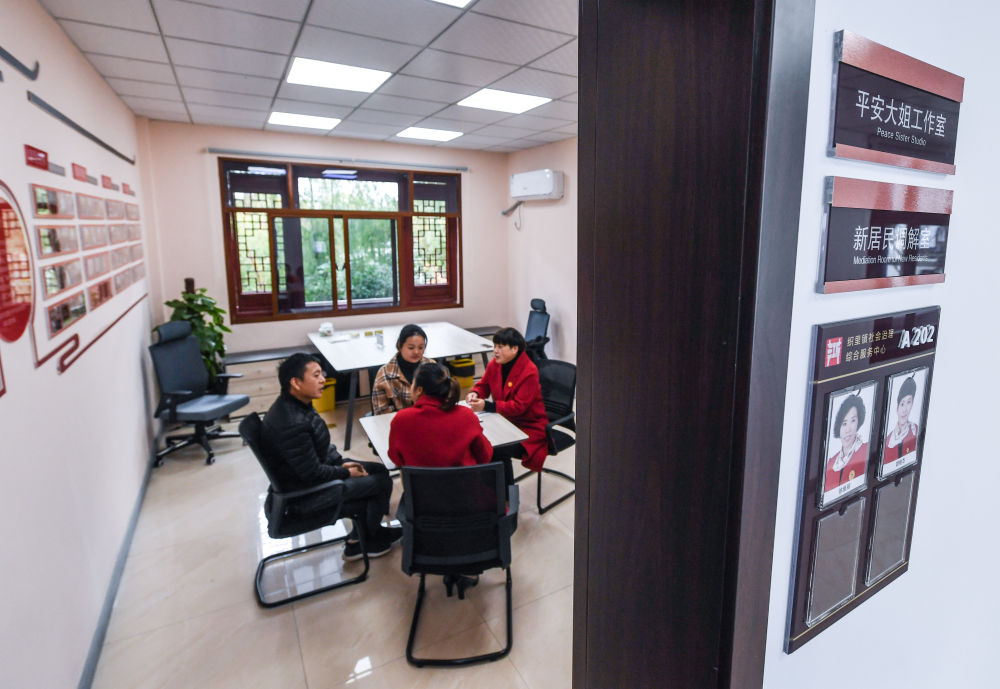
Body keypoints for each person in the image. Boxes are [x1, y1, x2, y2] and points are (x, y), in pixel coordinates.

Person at [261, 353, 400, 560]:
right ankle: (364, 542)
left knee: (379, 469)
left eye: (322, 374)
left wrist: (341, 464)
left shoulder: (296, 404)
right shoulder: (292, 423)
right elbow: (312, 474)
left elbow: (317, 452)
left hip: (308, 478)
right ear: (296, 383)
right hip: (307, 495)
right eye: (316, 375)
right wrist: (344, 472)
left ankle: (363, 535)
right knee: (380, 482)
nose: (323, 379)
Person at [466, 327, 548, 475]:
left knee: (496, 449)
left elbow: (518, 407)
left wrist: (487, 405)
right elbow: (483, 385)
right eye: (495, 346)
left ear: (514, 349)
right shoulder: (494, 364)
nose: (495, 351)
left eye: (500, 347)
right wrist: (475, 393)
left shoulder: (529, 371)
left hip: (527, 427)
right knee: (477, 440)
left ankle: (506, 489)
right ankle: (490, 485)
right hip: (504, 419)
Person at [388, 362, 492, 468]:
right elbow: (485, 456)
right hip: (464, 478)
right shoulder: (466, 415)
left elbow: (396, 459)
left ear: (419, 390)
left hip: (420, 479)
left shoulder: (402, 419)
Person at [371, 324, 434, 415]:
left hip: (428, 418)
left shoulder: (432, 367)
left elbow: (442, 400)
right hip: (399, 421)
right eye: (411, 348)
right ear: (400, 346)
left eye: (421, 347)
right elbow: (381, 413)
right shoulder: (385, 374)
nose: (416, 352)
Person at [825, 393, 869, 490]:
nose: (848, 429)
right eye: (844, 423)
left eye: (853, 421)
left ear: (858, 422)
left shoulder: (867, 450)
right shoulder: (831, 463)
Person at [883, 377, 918, 464]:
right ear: (897, 407)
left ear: (912, 403)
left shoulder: (916, 431)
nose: (905, 409)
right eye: (902, 404)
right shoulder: (888, 440)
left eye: (908, 402)